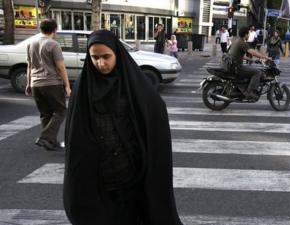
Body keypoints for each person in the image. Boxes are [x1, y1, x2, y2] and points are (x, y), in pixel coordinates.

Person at [63, 30, 183, 225]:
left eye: (106, 57)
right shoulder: (83, 88)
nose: (101, 63)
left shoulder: (132, 83)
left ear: (117, 54)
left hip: (132, 171)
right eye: (94, 57)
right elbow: (76, 134)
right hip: (99, 175)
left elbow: (154, 110)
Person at [25, 19, 71, 151]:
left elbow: (29, 65)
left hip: (35, 84)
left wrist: (28, 83)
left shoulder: (31, 43)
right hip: (51, 83)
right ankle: (45, 137)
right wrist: (67, 86)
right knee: (61, 111)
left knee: (45, 114)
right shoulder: (53, 44)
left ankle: (50, 142)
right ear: (55, 30)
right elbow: (61, 67)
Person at [228, 26, 270, 99]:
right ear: (246, 34)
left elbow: (240, 56)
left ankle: (244, 88)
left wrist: (252, 60)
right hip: (237, 68)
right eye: (248, 34)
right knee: (257, 72)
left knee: (251, 69)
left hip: (233, 66)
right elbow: (252, 52)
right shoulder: (242, 43)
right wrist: (264, 57)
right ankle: (249, 92)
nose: (249, 35)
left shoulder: (236, 41)